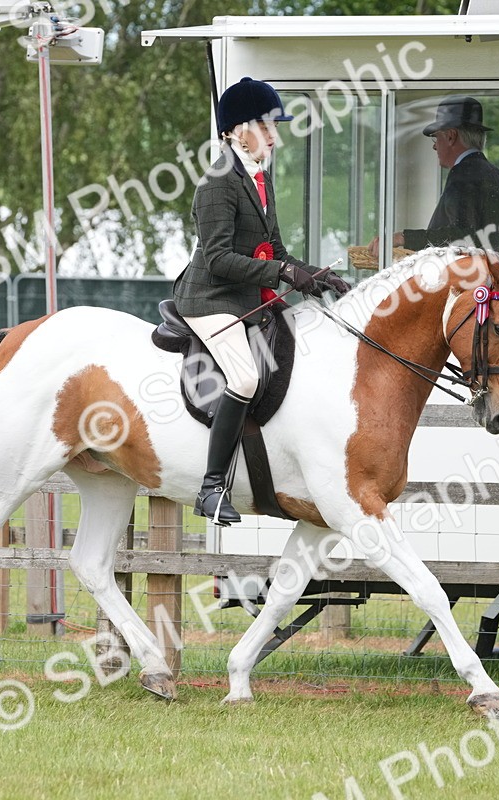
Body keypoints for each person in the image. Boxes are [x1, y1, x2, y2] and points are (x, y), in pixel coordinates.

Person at [173, 76, 349, 525]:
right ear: (235, 130)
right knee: (246, 378)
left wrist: (317, 276)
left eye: (274, 127)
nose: (274, 136)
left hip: (246, 295)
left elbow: (275, 251)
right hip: (210, 298)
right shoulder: (217, 183)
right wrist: (281, 272)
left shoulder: (258, 177)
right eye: (266, 126)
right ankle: (212, 487)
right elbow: (217, 260)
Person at [370, 95, 499, 256]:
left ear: (451, 136)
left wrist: (402, 238)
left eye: (436, 137)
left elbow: (461, 235)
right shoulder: (497, 176)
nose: (434, 147)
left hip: (463, 278)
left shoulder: (464, 173)